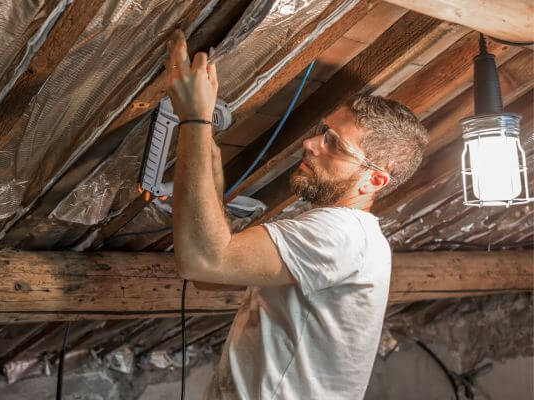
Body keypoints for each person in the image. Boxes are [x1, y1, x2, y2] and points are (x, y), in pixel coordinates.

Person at [165, 29, 428, 400]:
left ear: (375, 180)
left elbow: (203, 261)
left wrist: (195, 120)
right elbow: (215, 277)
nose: (310, 143)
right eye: (324, 131)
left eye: (334, 144)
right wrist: (206, 160)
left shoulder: (339, 233)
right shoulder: (351, 236)